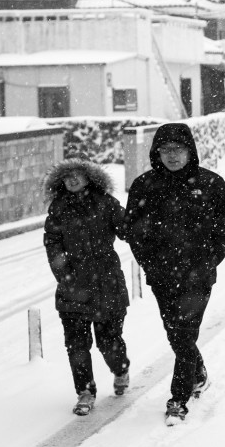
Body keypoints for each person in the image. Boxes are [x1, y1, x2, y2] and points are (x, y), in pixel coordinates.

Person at [123, 123, 225, 425]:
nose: (172, 156)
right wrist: (148, 263)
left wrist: (210, 259)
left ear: (190, 150)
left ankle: (179, 398)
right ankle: (198, 375)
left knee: (185, 333)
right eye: (165, 150)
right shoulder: (144, 186)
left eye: (178, 149)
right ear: (156, 153)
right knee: (175, 333)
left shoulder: (211, 183)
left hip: (197, 275)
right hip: (161, 275)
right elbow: (133, 231)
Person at [43, 158, 131, 416]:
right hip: (73, 287)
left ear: (89, 178)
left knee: (109, 342)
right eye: (67, 176)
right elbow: (53, 245)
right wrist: (66, 277)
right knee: (77, 345)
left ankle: (120, 368)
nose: (72, 180)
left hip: (107, 283)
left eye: (77, 175)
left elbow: (127, 229)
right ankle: (85, 391)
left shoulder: (106, 204)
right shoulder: (58, 209)